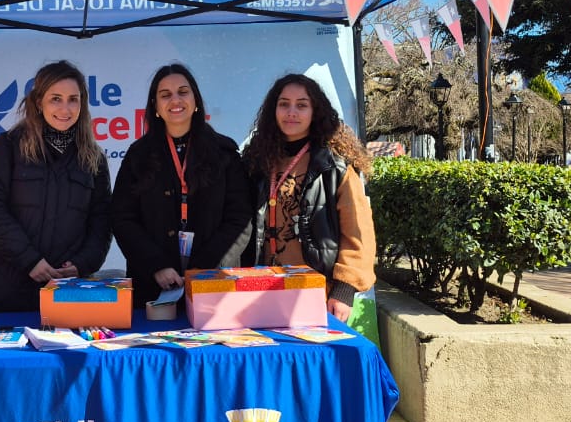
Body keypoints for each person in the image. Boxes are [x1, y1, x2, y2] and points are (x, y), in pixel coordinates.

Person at [0, 60, 113, 313]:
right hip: (5, 292)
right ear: (39, 102)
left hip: (66, 291)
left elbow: (101, 222)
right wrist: (30, 261)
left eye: (73, 99)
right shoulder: (7, 147)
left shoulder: (93, 158)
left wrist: (81, 265)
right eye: (55, 99)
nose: (65, 108)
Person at [111, 63, 251, 307]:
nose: (175, 100)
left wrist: (204, 268)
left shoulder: (224, 152)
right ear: (155, 107)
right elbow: (122, 218)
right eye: (165, 95)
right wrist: (156, 265)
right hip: (153, 287)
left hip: (213, 284)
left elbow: (240, 218)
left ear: (195, 100)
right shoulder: (138, 155)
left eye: (183, 92)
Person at [241, 73, 376, 320]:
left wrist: (344, 290)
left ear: (315, 111)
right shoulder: (257, 162)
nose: (291, 112)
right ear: (274, 110)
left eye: (301, 105)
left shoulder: (335, 167)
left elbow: (359, 234)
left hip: (317, 295)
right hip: (258, 290)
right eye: (284, 104)